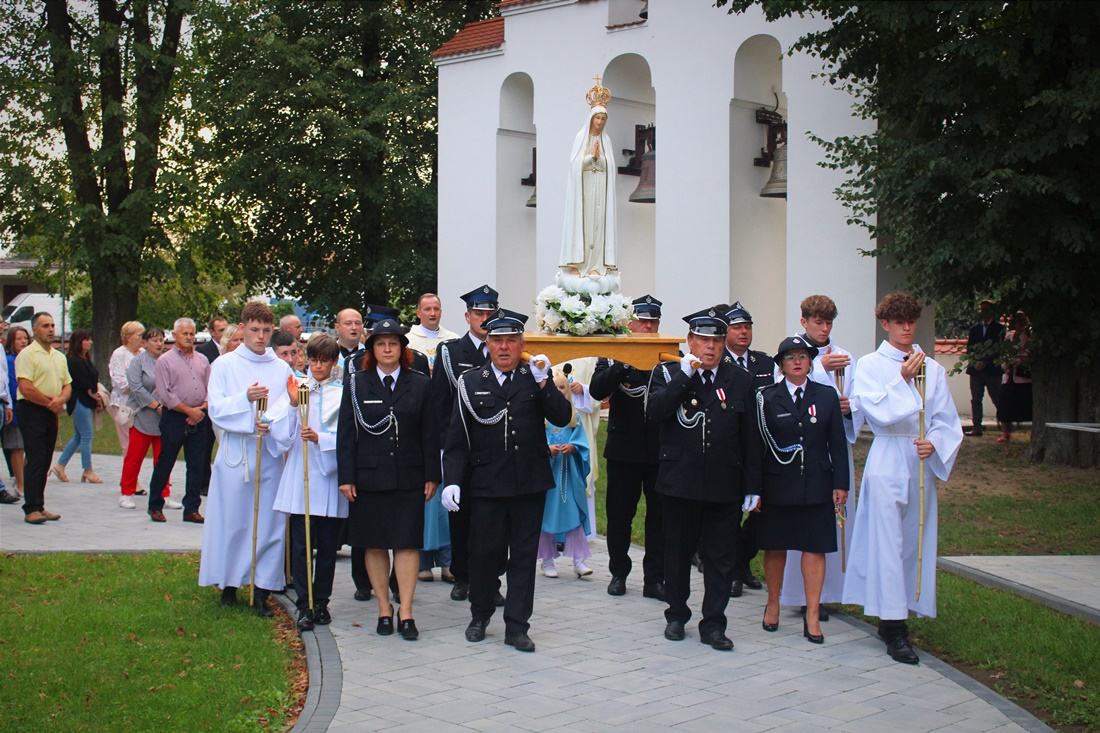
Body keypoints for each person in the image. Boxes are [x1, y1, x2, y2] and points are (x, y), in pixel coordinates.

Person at [441, 308, 571, 652]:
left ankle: (517, 625)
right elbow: (457, 438)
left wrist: (545, 382)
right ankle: (480, 614)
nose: (504, 347)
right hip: (486, 484)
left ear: (521, 343)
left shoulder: (535, 376)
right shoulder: (471, 382)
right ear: (487, 343)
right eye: (497, 340)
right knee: (484, 553)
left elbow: (562, 416)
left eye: (511, 341)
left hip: (529, 483)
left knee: (524, 557)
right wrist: (452, 480)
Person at [842, 293, 963, 665]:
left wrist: (936, 442)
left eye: (911, 321)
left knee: (913, 540)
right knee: (887, 542)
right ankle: (894, 628)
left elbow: (945, 418)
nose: (906, 328)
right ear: (885, 324)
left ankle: (901, 609)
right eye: (898, 322)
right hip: (887, 456)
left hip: (918, 460)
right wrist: (902, 380)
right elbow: (875, 413)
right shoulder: (872, 364)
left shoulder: (934, 369)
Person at [647, 307, 761, 651]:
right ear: (690, 341)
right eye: (703, 340)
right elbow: (654, 412)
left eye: (716, 340)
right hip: (680, 482)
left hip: (723, 483)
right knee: (678, 553)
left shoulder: (739, 379)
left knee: (720, 557)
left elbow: (751, 436)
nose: (710, 347)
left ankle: (713, 623)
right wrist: (684, 377)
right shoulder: (669, 373)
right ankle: (677, 615)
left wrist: (753, 486)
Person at [337, 319, 440, 640]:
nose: (386, 349)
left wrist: (432, 475)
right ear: (372, 349)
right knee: (375, 543)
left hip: (409, 476)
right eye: (380, 344)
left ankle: (406, 611)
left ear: (402, 348)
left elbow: (429, 433)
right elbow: (346, 432)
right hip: (369, 477)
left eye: (393, 344)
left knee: (408, 544)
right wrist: (346, 476)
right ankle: (384, 608)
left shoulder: (421, 383)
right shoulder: (356, 383)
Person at [754, 336, 850, 644]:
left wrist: (841, 484)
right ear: (780, 364)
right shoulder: (767, 397)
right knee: (775, 546)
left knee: (814, 547)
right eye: (791, 357)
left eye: (803, 357)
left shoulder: (825, 396)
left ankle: (812, 612)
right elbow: (757, 448)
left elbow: (837, 443)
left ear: (810, 362)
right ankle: (773, 602)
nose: (798, 361)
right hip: (777, 484)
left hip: (817, 484)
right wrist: (754, 489)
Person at [200, 301, 293, 615]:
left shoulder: (281, 368)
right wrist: (245, 401)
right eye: (255, 330)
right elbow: (215, 408)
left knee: (268, 523)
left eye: (267, 331)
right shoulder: (225, 364)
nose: (261, 337)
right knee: (235, 521)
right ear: (243, 328)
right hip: (236, 455)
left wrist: (272, 425)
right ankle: (229, 583)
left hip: (267, 454)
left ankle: (262, 589)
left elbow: (288, 406)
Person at [780, 295, 859, 619]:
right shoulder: (792, 352)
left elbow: (858, 399)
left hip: (835, 444)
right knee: (803, 521)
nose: (824, 328)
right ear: (804, 322)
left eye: (828, 323)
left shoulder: (845, 356)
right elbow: (785, 390)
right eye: (818, 322)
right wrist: (821, 370)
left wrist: (850, 407)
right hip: (803, 451)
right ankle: (799, 594)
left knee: (835, 521)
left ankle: (830, 593)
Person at [589, 294, 665, 599]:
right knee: (620, 516)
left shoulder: (666, 355)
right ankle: (618, 572)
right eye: (642, 321)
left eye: (653, 322)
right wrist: (624, 361)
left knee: (659, 517)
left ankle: (655, 578)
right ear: (629, 323)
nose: (647, 327)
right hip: (624, 449)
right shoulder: (611, 354)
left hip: (659, 450)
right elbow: (597, 390)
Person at [272, 334, 348, 632]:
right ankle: (303, 603)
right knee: (302, 544)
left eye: (324, 361)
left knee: (328, 545)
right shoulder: (297, 387)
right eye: (313, 359)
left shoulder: (341, 393)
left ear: (333, 363)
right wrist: (292, 407)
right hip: (300, 473)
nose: (317, 366)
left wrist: (322, 439)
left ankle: (322, 601)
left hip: (327, 475)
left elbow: (348, 436)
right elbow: (278, 428)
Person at [431, 285, 498, 602]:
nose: (484, 319)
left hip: (494, 448)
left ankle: (491, 581)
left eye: (489, 313)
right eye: (479, 313)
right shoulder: (450, 352)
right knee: (460, 514)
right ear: (468, 316)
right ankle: (462, 575)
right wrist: (445, 447)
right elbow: (440, 403)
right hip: (460, 446)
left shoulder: (502, 349)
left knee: (494, 517)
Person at [720, 301, 778, 597]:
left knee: (761, 510)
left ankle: (743, 562)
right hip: (731, 445)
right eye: (737, 327)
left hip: (764, 447)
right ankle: (728, 570)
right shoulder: (719, 363)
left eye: (747, 327)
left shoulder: (765, 364)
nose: (743, 332)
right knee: (730, 513)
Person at [559, 79, 618, 295]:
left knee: (598, 227)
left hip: (600, 191)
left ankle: (597, 264)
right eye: (597, 118)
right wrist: (589, 159)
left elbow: (610, 166)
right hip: (583, 193)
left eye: (603, 119)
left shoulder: (607, 141)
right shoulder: (580, 138)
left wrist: (600, 160)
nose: (600, 122)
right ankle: (579, 264)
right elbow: (574, 166)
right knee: (583, 226)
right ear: (591, 119)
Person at [147, 318, 210, 524]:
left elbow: (211, 388)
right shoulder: (164, 361)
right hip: (174, 417)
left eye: (192, 334)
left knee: (197, 464)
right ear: (174, 336)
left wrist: (200, 410)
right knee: (166, 462)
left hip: (199, 417)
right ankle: (155, 505)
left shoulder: (202, 360)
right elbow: (165, 395)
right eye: (185, 334)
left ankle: (191, 508)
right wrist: (188, 411)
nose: (189, 338)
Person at [16, 312, 71, 524]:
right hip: (32, 410)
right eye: (45, 326)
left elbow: (67, 384)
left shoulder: (59, 356)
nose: (50, 329)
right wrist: (51, 403)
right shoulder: (27, 355)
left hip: (51, 410)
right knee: (36, 457)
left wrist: (61, 400)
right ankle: (30, 508)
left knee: (46, 457)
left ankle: (39, 504)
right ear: (34, 330)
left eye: (52, 325)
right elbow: (26, 387)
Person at [538, 371, 593, 579]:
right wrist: (547, 449)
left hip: (568, 476)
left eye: (562, 387)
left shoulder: (573, 416)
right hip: (547, 476)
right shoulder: (540, 417)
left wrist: (573, 446)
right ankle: (547, 560)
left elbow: (582, 442)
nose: (559, 391)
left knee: (573, 513)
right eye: (555, 388)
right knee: (545, 515)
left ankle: (579, 559)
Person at [119, 328, 180, 510]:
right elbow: (136, 388)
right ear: (145, 343)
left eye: (161, 340)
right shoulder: (138, 362)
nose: (159, 343)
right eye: (154, 340)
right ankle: (127, 493)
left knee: (164, 458)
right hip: (143, 416)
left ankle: (164, 494)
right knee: (134, 457)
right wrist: (155, 405)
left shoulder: (168, 360)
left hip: (164, 418)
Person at [53, 329, 107, 484]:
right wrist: (92, 394)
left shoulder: (85, 359)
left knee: (79, 436)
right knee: (87, 435)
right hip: (78, 401)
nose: (90, 342)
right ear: (78, 342)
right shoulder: (73, 360)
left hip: (86, 400)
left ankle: (60, 465)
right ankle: (87, 469)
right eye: (86, 339)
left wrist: (96, 398)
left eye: (90, 339)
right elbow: (82, 382)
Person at [964, 299, 1005, 437]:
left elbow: (999, 349)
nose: (982, 312)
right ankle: (977, 427)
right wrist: (975, 362)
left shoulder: (999, 329)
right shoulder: (974, 329)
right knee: (976, 399)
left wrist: (985, 362)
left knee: (997, 397)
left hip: (992, 370)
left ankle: (1005, 426)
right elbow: (969, 348)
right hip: (976, 370)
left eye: (985, 309)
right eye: (981, 309)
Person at [197, 316, 228, 498]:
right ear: (212, 332)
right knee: (205, 446)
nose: (223, 333)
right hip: (208, 404)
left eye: (226, 329)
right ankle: (204, 483)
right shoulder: (204, 350)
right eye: (220, 330)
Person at [0, 326, 31, 502]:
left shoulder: (28, 358)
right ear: (12, 341)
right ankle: (20, 483)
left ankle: (24, 479)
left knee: (30, 447)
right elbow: (10, 383)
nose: (23, 342)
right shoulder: (11, 359)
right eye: (19, 339)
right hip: (16, 404)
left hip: (29, 408)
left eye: (25, 338)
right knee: (17, 446)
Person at [108, 321, 144, 452]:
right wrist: (141, 387)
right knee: (128, 445)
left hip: (142, 405)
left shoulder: (143, 353)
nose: (143, 338)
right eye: (140, 335)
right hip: (124, 404)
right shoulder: (119, 354)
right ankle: (128, 471)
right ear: (129, 337)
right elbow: (120, 382)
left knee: (140, 444)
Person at [996, 311, 1032, 442]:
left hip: (1022, 378)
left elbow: (1027, 354)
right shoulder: (1009, 336)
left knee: (1026, 406)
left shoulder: (1028, 337)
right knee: (1004, 406)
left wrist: (1016, 361)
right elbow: (1004, 353)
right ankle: (1005, 432)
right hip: (1008, 376)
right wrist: (1005, 365)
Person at [404, 293, 459, 372]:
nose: (433, 313)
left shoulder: (454, 339)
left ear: (441, 312)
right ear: (418, 313)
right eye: (427, 309)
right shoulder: (408, 341)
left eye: (436, 309)